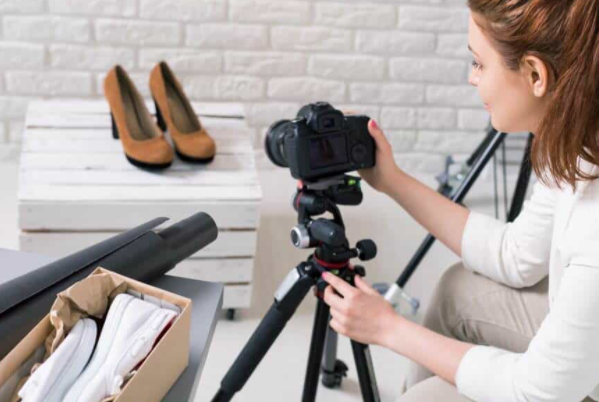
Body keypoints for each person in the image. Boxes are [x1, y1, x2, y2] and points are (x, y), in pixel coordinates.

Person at [321, 1, 599, 401]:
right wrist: (391, 180)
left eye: (479, 64)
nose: (472, 78)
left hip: (555, 388)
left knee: (427, 398)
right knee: (458, 290)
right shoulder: (577, 142)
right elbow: (516, 255)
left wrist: (389, 328)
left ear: (536, 74)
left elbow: (535, 391)